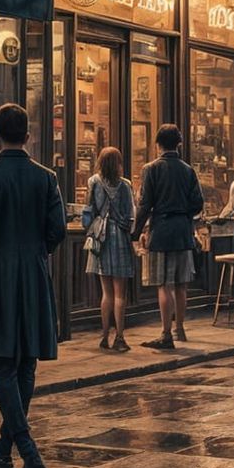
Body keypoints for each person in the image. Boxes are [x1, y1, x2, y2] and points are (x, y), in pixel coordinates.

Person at [0, 103, 66, 468]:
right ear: (28, 136)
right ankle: (4, 450)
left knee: (3, 362)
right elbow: (56, 230)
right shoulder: (46, 178)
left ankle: (24, 447)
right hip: (35, 272)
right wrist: (37, 252)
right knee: (26, 363)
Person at [132, 124, 205, 350]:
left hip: (161, 229)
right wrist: (184, 215)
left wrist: (136, 232)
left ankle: (166, 334)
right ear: (178, 144)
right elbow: (198, 203)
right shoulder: (188, 170)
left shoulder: (151, 169)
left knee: (164, 284)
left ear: (158, 144)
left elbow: (144, 204)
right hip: (183, 231)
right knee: (181, 284)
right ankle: (180, 329)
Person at [82, 146, 136, 351]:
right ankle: (120, 336)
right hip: (119, 237)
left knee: (106, 292)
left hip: (100, 237)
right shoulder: (125, 185)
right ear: (119, 164)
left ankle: (104, 336)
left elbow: (88, 210)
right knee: (120, 293)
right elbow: (131, 215)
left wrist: (89, 228)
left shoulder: (93, 182)